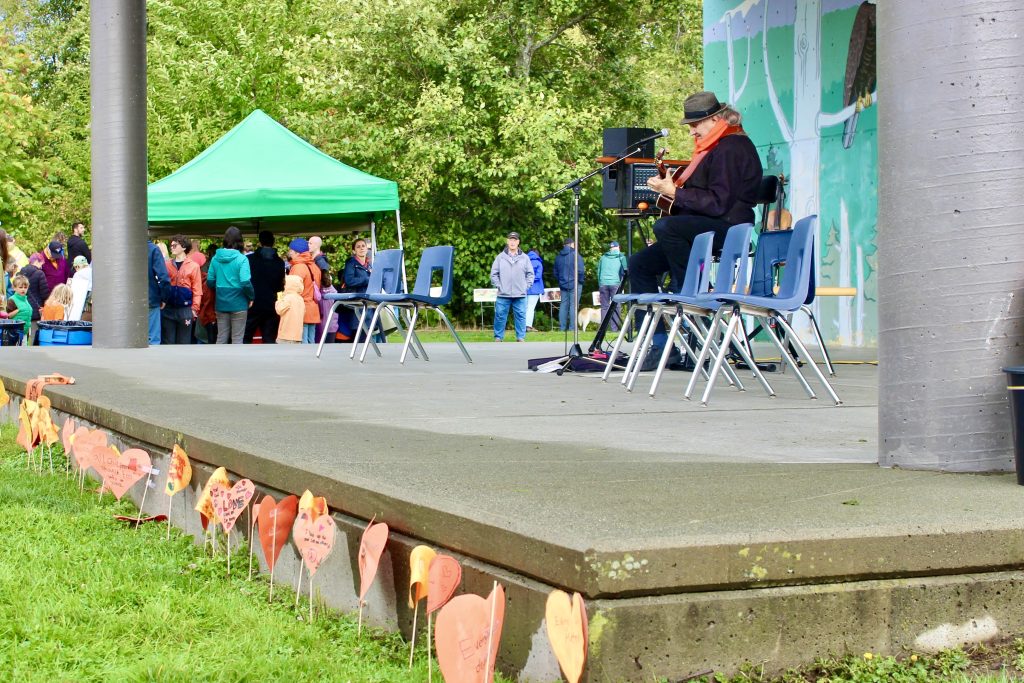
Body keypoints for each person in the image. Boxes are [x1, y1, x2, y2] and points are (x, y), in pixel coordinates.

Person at [637, 91, 762, 363]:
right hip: (706, 228)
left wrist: (675, 192)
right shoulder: (713, 148)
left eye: (695, 124)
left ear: (715, 119)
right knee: (639, 264)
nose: (692, 131)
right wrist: (672, 190)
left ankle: (691, 293)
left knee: (667, 228)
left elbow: (718, 203)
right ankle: (661, 347)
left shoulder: (732, 147)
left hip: (728, 228)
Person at [207, 226, 254, 344]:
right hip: (239, 303)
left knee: (221, 338)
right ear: (240, 241)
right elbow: (245, 282)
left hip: (221, 302)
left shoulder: (215, 259)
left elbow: (210, 281)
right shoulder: (242, 259)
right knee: (237, 339)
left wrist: (220, 288)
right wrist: (251, 296)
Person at [489, 231, 533, 342]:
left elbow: (530, 274)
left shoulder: (525, 258)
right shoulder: (500, 257)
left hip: (520, 293)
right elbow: (494, 274)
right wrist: (499, 286)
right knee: (500, 315)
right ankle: (498, 337)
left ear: (518, 242)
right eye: (510, 240)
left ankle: (520, 337)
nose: (512, 242)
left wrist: (526, 286)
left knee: (521, 316)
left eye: (515, 240)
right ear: (507, 241)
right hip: (503, 294)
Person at [244, 230, 286, 344]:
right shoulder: (279, 262)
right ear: (273, 242)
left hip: (253, 304)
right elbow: (281, 286)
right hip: (271, 305)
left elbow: (245, 281)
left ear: (260, 242)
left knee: (245, 338)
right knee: (269, 340)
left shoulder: (249, 260)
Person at [162, 235, 203, 345]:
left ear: (184, 247)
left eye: (175, 245)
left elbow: (197, 289)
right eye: (171, 245)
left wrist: (194, 309)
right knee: (168, 342)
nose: (172, 247)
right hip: (168, 309)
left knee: (184, 343)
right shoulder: (167, 265)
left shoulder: (193, 266)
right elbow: (163, 285)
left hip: (185, 309)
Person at [286, 237, 321, 344]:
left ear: (297, 252)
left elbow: (292, 290)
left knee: (302, 343)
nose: (289, 253)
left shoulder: (298, 267)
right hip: (313, 308)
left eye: (291, 250)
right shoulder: (314, 266)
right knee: (311, 341)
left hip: (301, 309)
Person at [596, 241, 628, 332]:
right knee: (616, 306)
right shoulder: (621, 257)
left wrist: (600, 283)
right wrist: (623, 284)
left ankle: (603, 329)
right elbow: (626, 271)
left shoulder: (603, 257)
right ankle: (614, 328)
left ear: (610, 248)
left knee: (604, 307)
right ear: (618, 248)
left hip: (603, 283)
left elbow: (598, 272)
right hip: (615, 283)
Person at [553, 237, 584, 332]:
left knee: (563, 305)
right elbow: (580, 271)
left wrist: (561, 281)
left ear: (564, 245)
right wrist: (580, 281)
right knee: (573, 306)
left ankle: (562, 328)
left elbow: (555, 272)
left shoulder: (558, 257)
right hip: (575, 284)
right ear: (572, 244)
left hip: (563, 284)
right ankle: (572, 328)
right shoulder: (576, 255)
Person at [20, 254, 50, 339]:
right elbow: (45, 294)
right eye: (41, 264)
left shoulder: (20, 273)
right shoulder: (40, 273)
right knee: (34, 336)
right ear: (36, 261)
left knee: (23, 336)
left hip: (22, 308)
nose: (41, 267)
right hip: (36, 310)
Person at [147, 239, 170, 345]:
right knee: (153, 340)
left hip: (127, 301)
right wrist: (164, 298)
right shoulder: (153, 249)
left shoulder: (123, 247)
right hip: (150, 298)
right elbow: (163, 277)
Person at [274, 274, 305, 344]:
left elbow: (279, 310)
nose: (284, 286)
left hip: (286, 335)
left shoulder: (288, 298)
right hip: (297, 335)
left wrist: (279, 299)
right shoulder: (300, 299)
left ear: (290, 285)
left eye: (285, 284)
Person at [6, 274, 32, 344]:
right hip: (15, 332)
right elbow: (8, 316)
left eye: (25, 287)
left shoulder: (25, 299)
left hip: (25, 331)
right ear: (14, 288)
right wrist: (18, 310)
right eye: (20, 287)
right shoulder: (12, 299)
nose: (23, 289)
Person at [315, 270, 339, 345]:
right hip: (333, 326)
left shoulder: (318, 295)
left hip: (320, 327)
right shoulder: (335, 293)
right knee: (330, 348)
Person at [525, 247, 544, 332]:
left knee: (524, 307)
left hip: (525, 288)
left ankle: (522, 326)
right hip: (535, 288)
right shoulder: (538, 263)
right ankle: (528, 326)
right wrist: (531, 280)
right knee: (531, 308)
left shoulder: (524, 261)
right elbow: (538, 276)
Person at [68, 255, 92, 321]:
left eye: (75, 267)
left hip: (84, 300)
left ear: (78, 266)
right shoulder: (93, 271)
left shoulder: (78, 274)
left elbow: (74, 290)